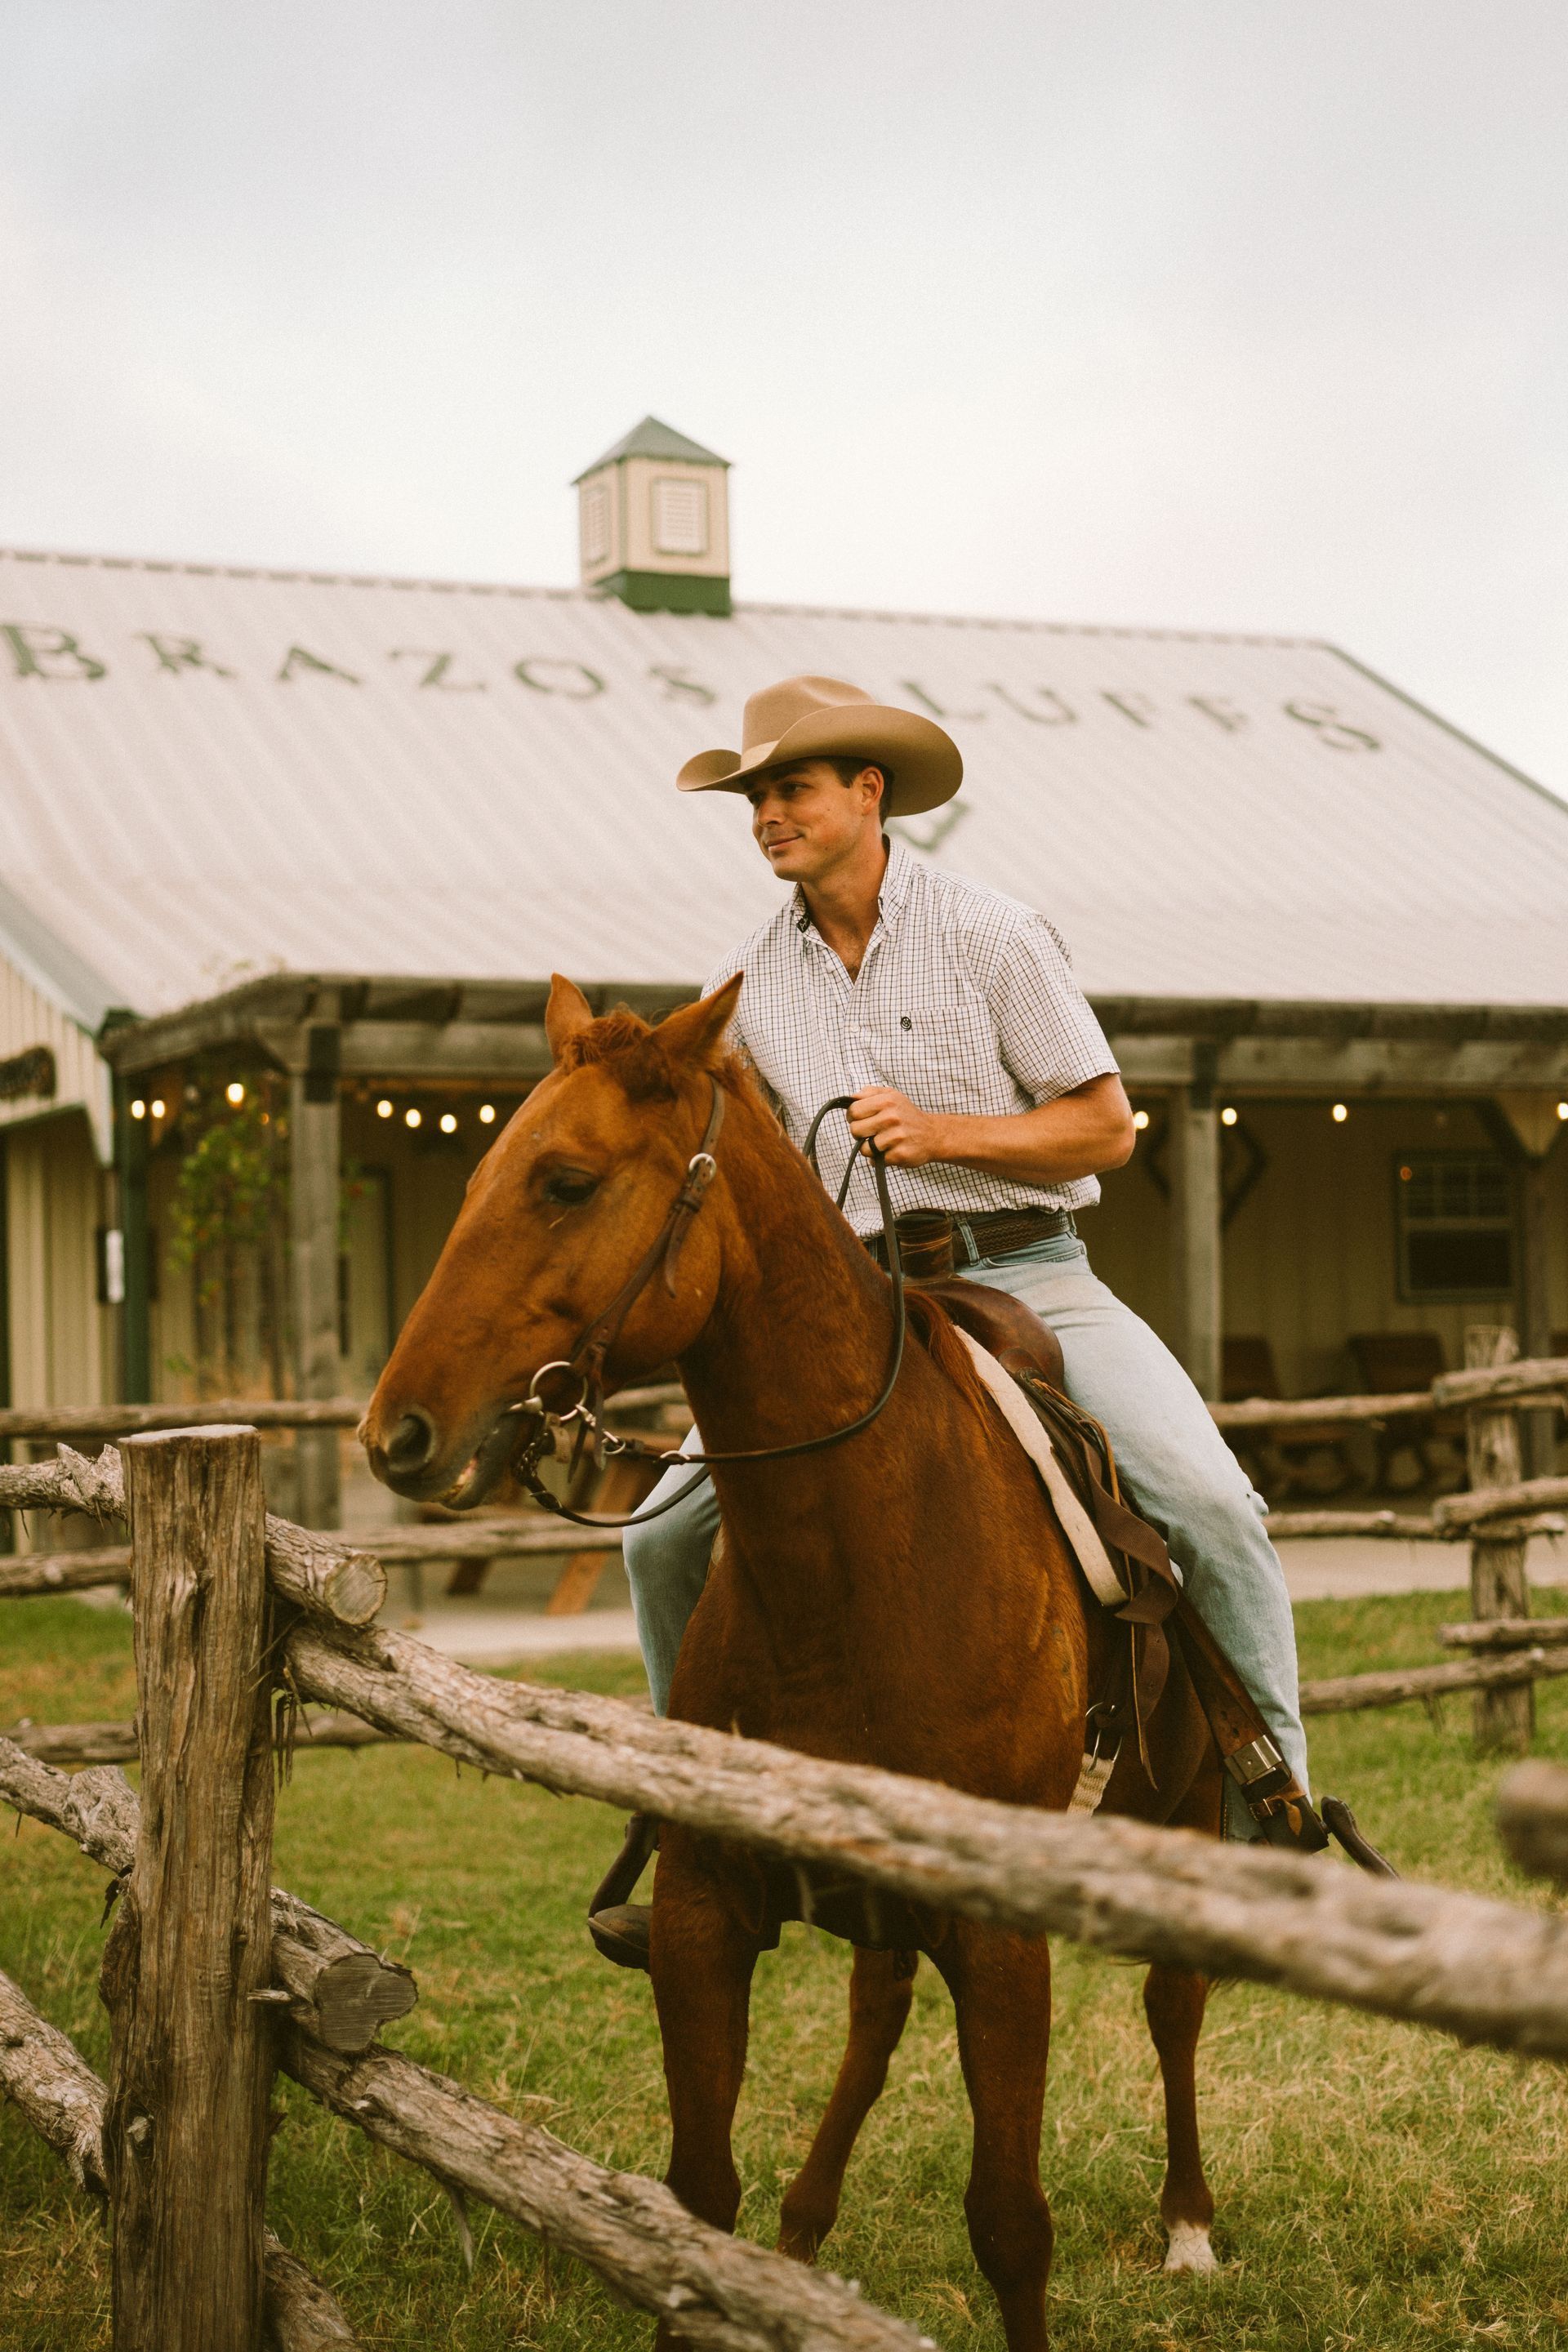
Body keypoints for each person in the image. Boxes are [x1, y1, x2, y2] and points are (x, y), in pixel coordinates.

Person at [595, 674, 1310, 1966]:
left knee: (1208, 1503)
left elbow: (1104, 1125)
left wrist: (943, 1133)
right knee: (656, 1539)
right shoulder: (741, 980)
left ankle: (1275, 1816)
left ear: (869, 794)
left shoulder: (990, 933)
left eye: (790, 789)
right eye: (752, 795)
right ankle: (700, 1823)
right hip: (854, 1305)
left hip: (1025, 1271)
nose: (766, 814)